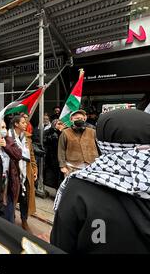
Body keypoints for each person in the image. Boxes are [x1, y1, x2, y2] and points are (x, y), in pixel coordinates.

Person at [51, 109, 150, 254]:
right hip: (76, 166)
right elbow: (61, 151)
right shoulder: (66, 134)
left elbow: (61, 244)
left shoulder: (78, 188)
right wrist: (63, 166)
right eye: (75, 117)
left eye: (81, 116)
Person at [9, 115, 38, 233]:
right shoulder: (8, 137)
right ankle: (11, 217)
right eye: (23, 122)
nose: (26, 124)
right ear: (16, 124)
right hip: (13, 171)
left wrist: (34, 169)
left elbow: (31, 155)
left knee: (25, 198)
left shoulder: (27, 138)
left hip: (26, 172)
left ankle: (24, 219)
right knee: (12, 195)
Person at [58, 110, 99, 176]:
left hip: (92, 166)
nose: (80, 120)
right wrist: (62, 166)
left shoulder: (93, 132)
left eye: (82, 118)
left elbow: (99, 146)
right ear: (71, 120)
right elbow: (61, 149)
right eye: (77, 118)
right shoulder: (65, 133)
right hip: (72, 167)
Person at [0, 120, 22, 223]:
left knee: (8, 216)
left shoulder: (9, 140)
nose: (4, 130)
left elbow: (18, 155)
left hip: (9, 184)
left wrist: (6, 146)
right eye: (1, 127)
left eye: (5, 127)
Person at [44, 119, 66, 189]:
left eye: (61, 124)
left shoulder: (64, 132)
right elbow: (52, 142)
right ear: (54, 124)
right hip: (51, 156)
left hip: (62, 156)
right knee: (54, 174)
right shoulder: (49, 132)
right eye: (58, 124)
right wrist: (60, 132)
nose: (60, 125)